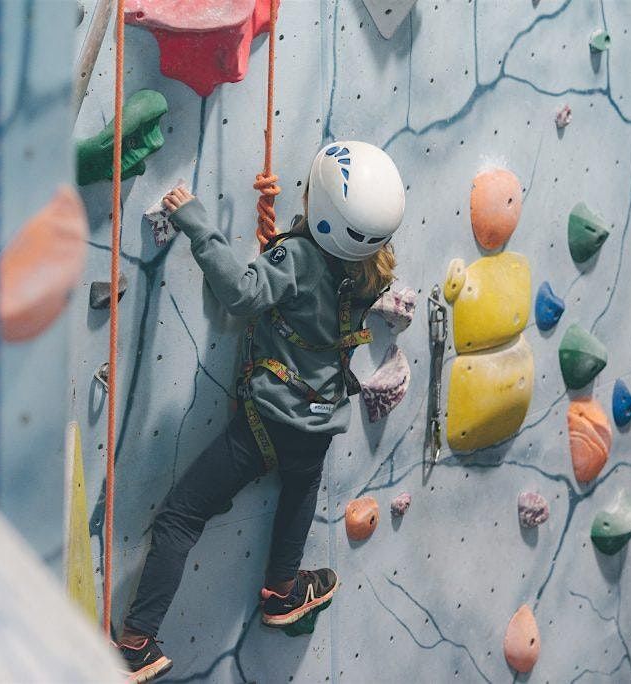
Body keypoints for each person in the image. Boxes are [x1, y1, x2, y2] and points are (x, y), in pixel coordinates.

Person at [117, 141, 406, 683]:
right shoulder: (374, 271)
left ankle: (136, 642)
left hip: (266, 422)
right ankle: (281, 590)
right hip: (319, 422)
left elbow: (244, 295)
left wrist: (196, 222)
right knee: (300, 489)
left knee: (181, 516)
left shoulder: (295, 258)